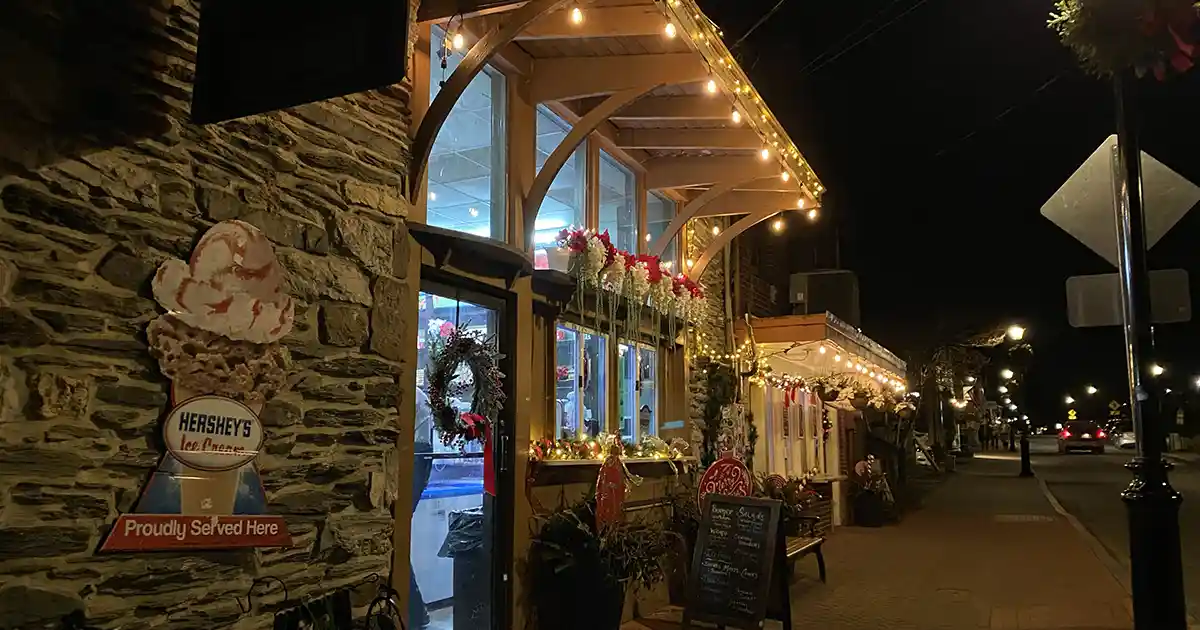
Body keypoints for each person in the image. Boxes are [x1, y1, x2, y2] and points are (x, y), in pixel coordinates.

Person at [410, 386, 434, 628]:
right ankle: (417, 612)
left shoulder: (413, 395)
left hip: (416, 454)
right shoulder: (420, 397)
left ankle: (416, 613)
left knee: (396, 534)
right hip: (420, 454)